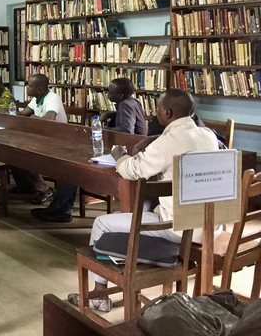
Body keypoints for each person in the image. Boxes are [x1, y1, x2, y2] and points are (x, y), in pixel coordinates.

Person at [67, 89, 220, 312]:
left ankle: (99, 295)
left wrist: (119, 157)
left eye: (157, 109)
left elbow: (133, 170)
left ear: (167, 112)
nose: (153, 113)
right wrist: (154, 138)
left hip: (178, 228)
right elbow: (181, 141)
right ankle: (138, 259)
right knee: (149, 206)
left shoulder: (167, 143)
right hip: (208, 223)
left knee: (102, 223)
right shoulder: (208, 135)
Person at [33, 78, 150, 223]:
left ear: (119, 96)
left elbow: (126, 131)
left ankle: (58, 210)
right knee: (73, 170)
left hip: (125, 153)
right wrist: (108, 114)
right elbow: (127, 117)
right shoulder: (132, 102)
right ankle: (62, 209)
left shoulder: (125, 105)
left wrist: (102, 129)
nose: (107, 95)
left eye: (110, 92)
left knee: (73, 170)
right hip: (129, 151)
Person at [13, 74, 67, 204]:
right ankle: (25, 186)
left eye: (30, 86)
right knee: (11, 151)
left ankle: (44, 190)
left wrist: (33, 119)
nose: (26, 88)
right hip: (41, 138)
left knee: (24, 155)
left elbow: (49, 120)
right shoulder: (36, 99)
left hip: (57, 140)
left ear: (39, 89)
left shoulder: (53, 98)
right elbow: (22, 114)